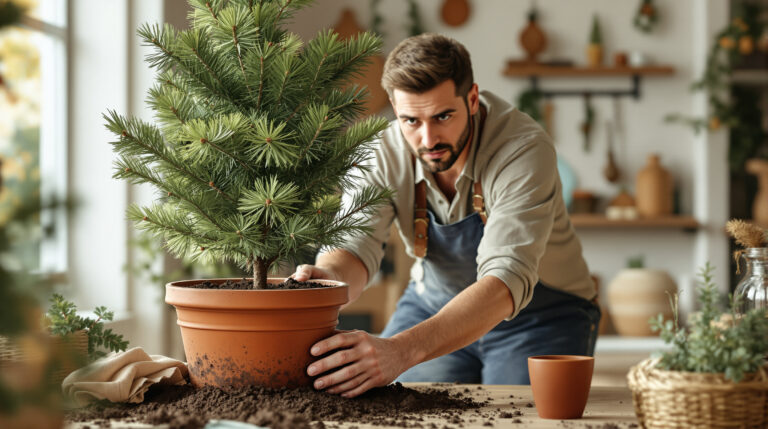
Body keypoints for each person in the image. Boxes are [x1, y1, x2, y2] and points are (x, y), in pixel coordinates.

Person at [292, 33, 599, 398]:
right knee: (389, 406)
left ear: (472, 99)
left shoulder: (522, 149)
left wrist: (401, 350)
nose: (428, 139)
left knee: (521, 414)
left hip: (541, 316)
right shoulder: (381, 151)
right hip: (431, 305)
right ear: (395, 108)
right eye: (410, 120)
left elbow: (505, 279)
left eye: (442, 116)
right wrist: (330, 278)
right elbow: (355, 246)